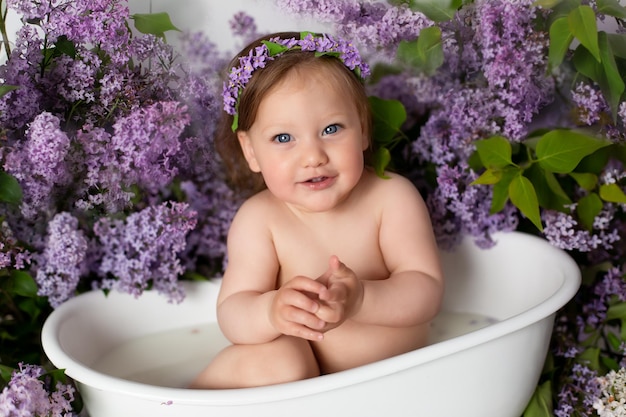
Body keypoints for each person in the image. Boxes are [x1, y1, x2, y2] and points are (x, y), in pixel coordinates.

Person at [190, 31, 443, 389]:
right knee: (279, 358)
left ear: (364, 128)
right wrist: (270, 310)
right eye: (283, 138)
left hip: (389, 390)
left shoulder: (391, 199)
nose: (313, 156)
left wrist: (363, 298)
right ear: (250, 151)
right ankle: (187, 404)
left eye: (331, 128)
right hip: (294, 394)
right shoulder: (261, 220)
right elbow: (232, 311)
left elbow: (427, 290)